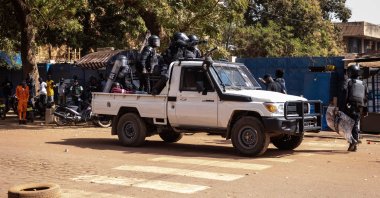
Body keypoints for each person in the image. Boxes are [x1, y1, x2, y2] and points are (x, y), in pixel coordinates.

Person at [340, 64, 368, 152]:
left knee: (346, 126)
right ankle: (354, 146)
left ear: (351, 73)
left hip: (349, 106)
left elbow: (344, 93)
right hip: (359, 108)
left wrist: (342, 107)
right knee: (355, 125)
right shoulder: (363, 83)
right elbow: (365, 97)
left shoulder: (348, 81)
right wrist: (365, 110)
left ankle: (352, 142)